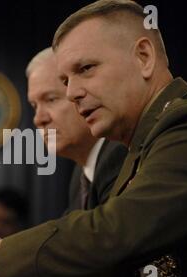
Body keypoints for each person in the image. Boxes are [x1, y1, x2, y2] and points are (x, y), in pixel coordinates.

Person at [0, 0, 187, 277]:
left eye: (86, 68)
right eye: (66, 80)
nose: (72, 93)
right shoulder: (141, 142)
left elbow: (115, 234)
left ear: (143, 57)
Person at [26, 47, 127, 212]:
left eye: (51, 99)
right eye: (34, 106)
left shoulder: (119, 155)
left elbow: (101, 233)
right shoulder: (80, 174)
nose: (39, 119)